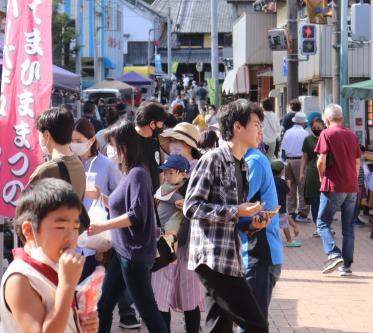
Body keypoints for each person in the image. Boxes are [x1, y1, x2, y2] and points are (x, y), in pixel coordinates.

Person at [184, 99, 272, 333]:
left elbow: (232, 220)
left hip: (228, 256)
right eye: (255, 124)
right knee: (257, 324)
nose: (260, 130)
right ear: (237, 127)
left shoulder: (242, 164)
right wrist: (236, 211)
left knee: (218, 326)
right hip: (212, 258)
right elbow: (191, 207)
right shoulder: (212, 159)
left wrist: (252, 223)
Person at [88, 121, 169, 333]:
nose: (110, 150)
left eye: (113, 144)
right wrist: (102, 198)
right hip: (122, 252)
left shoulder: (138, 174)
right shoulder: (129, 173)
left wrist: (102, 225)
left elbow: (136, 215)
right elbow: (121, 205)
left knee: (148, 311)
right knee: (103, 305)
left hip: (134, 255)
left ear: (125, 145)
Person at [0, 178, 99, 333]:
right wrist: (67, 286)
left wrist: (78, 322)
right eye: (60, 227)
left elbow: (56, 314)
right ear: (28, 230)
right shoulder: (20, 279)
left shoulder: (53, 263)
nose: (71, 236)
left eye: (75, 227)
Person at [153, 124, 205, 333]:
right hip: (165, 241)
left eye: (179, 142)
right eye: (173, 142)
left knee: (190, 294)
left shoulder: (201, 170)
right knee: (160, 292)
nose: (174, 146)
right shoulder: (169, 168)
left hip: (189, 241)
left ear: (189, 145)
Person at [238, 144, 284, 327]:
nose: (259, 131)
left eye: (258, 125)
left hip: (258, 253)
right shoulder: (245, 160)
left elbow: (237, 203)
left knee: (251, 322)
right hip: (253, 253)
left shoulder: (253, 161)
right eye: (255, 124)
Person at [71, 118, 121, 279]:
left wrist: (100, 196)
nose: (74, 144)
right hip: (69, 237)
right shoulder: (68, 163)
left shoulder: (107, 165)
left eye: (78, 141)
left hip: (95, 238)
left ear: (92, 140)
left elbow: (119, 202)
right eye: (71, 141)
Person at [315, 104, 361, 277]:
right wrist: (353, 179)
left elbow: (321, 160)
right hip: (352, 186)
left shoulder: (326, 134)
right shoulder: (351, 135)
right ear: (341, 118)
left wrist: (322, 176)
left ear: (327, 120)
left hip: (333, 185)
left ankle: (333, 254)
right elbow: (357, 162)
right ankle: (346, 266)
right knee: (348, 227)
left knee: (322, 222)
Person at [30, 107, 85, 201]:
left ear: (47, 135)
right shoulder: (79, 164)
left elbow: (26, 210)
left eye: (39, 133)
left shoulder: (45, 170)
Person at [281, 111, 310, 223]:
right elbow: (306, 151)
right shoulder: (304, 134)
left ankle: (291, 212)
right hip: (300, 160)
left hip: (288, 161)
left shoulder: (288, 132)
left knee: (291, 187)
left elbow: (283, 149)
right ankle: (302, 213)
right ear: (303, 123)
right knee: (302, 187)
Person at [135, 101, 168, 194]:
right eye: (161, 124)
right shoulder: (129, 140)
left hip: (154, 198)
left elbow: (159, 168)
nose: (162, 127)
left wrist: (159, 192)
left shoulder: (155, 139)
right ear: (152, 124)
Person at [300, 117, 325, 234]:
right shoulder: (308, 140)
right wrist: (301, 172)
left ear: (323, 126)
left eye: (319, 128)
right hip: (312, 173)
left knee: (326, 201)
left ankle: (325, 225)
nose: (316, 130)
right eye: (314, 128)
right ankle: (318, 226)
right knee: (315, 200)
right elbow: (304, 156)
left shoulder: (327, 138)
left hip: (326, 173)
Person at [271, 161, 301, 247]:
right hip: (281, 207)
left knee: (274, 224)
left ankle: (273, 240)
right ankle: (289, 241)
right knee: (285, 225)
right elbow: (288, 193)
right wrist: (289, 184)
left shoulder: (270, 181)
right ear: (281, 172)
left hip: (272, 207)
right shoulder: (282, 182)